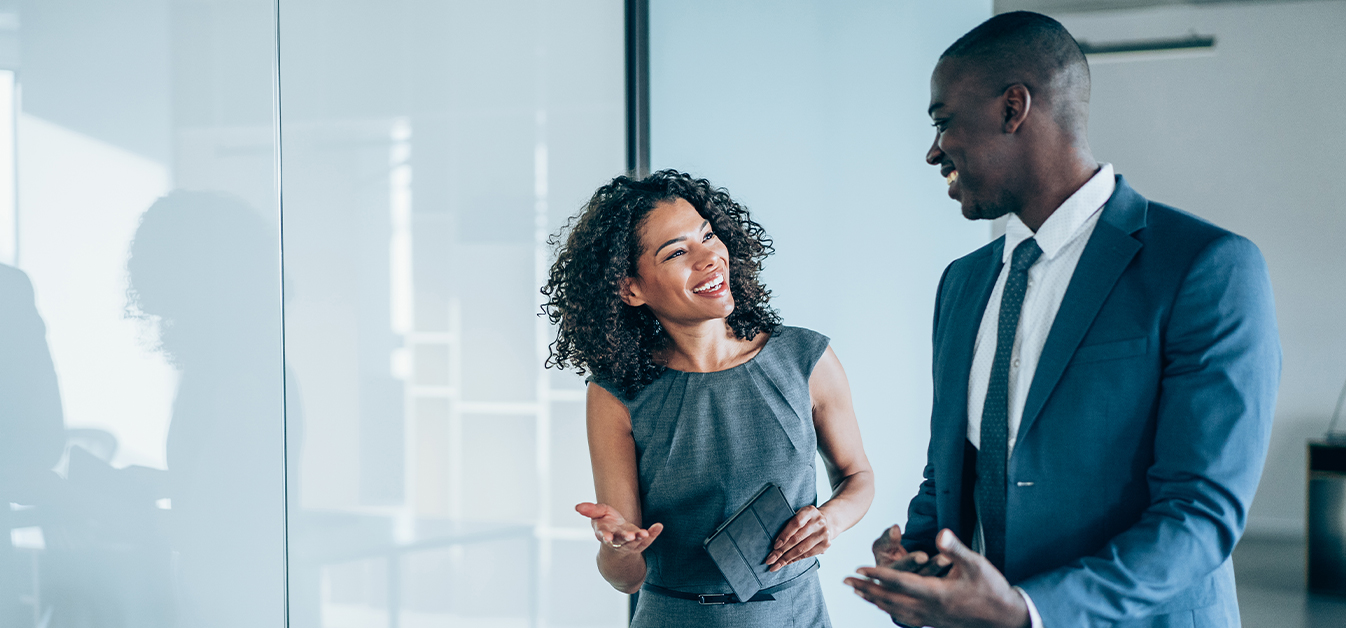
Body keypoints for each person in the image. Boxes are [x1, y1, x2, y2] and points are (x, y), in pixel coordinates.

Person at [845, 11, 1279, 628]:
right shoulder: (962, 283)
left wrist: (1030, 611)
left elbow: (1200, 514)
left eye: (944, 122)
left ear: (1013, 109)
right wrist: (917, 560)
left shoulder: (1206, 267)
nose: (934, 150)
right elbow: (950, 469)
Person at [542, 170, 874, 627]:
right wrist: (617, 547)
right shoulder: (614, 394)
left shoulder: (805, 357)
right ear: (630, 288)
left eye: (708, 236)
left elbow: (857, 477)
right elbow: (625, 579)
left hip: (796, 615)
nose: (711, 258)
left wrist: (830, 520)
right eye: (677, 252)